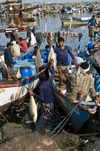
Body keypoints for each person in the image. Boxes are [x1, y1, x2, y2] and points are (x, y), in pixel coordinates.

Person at [29, 59, 60, 136]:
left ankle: (45, 132)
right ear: (46, 77)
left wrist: (34, 94)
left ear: (39, 79)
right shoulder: (49, 81)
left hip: (46, 104)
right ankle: (60, 129)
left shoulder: (41, 87)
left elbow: (42, 98)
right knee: (55, 115)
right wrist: (52, 65)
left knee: (46, 118)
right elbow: (53, 73)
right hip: (52, 101)